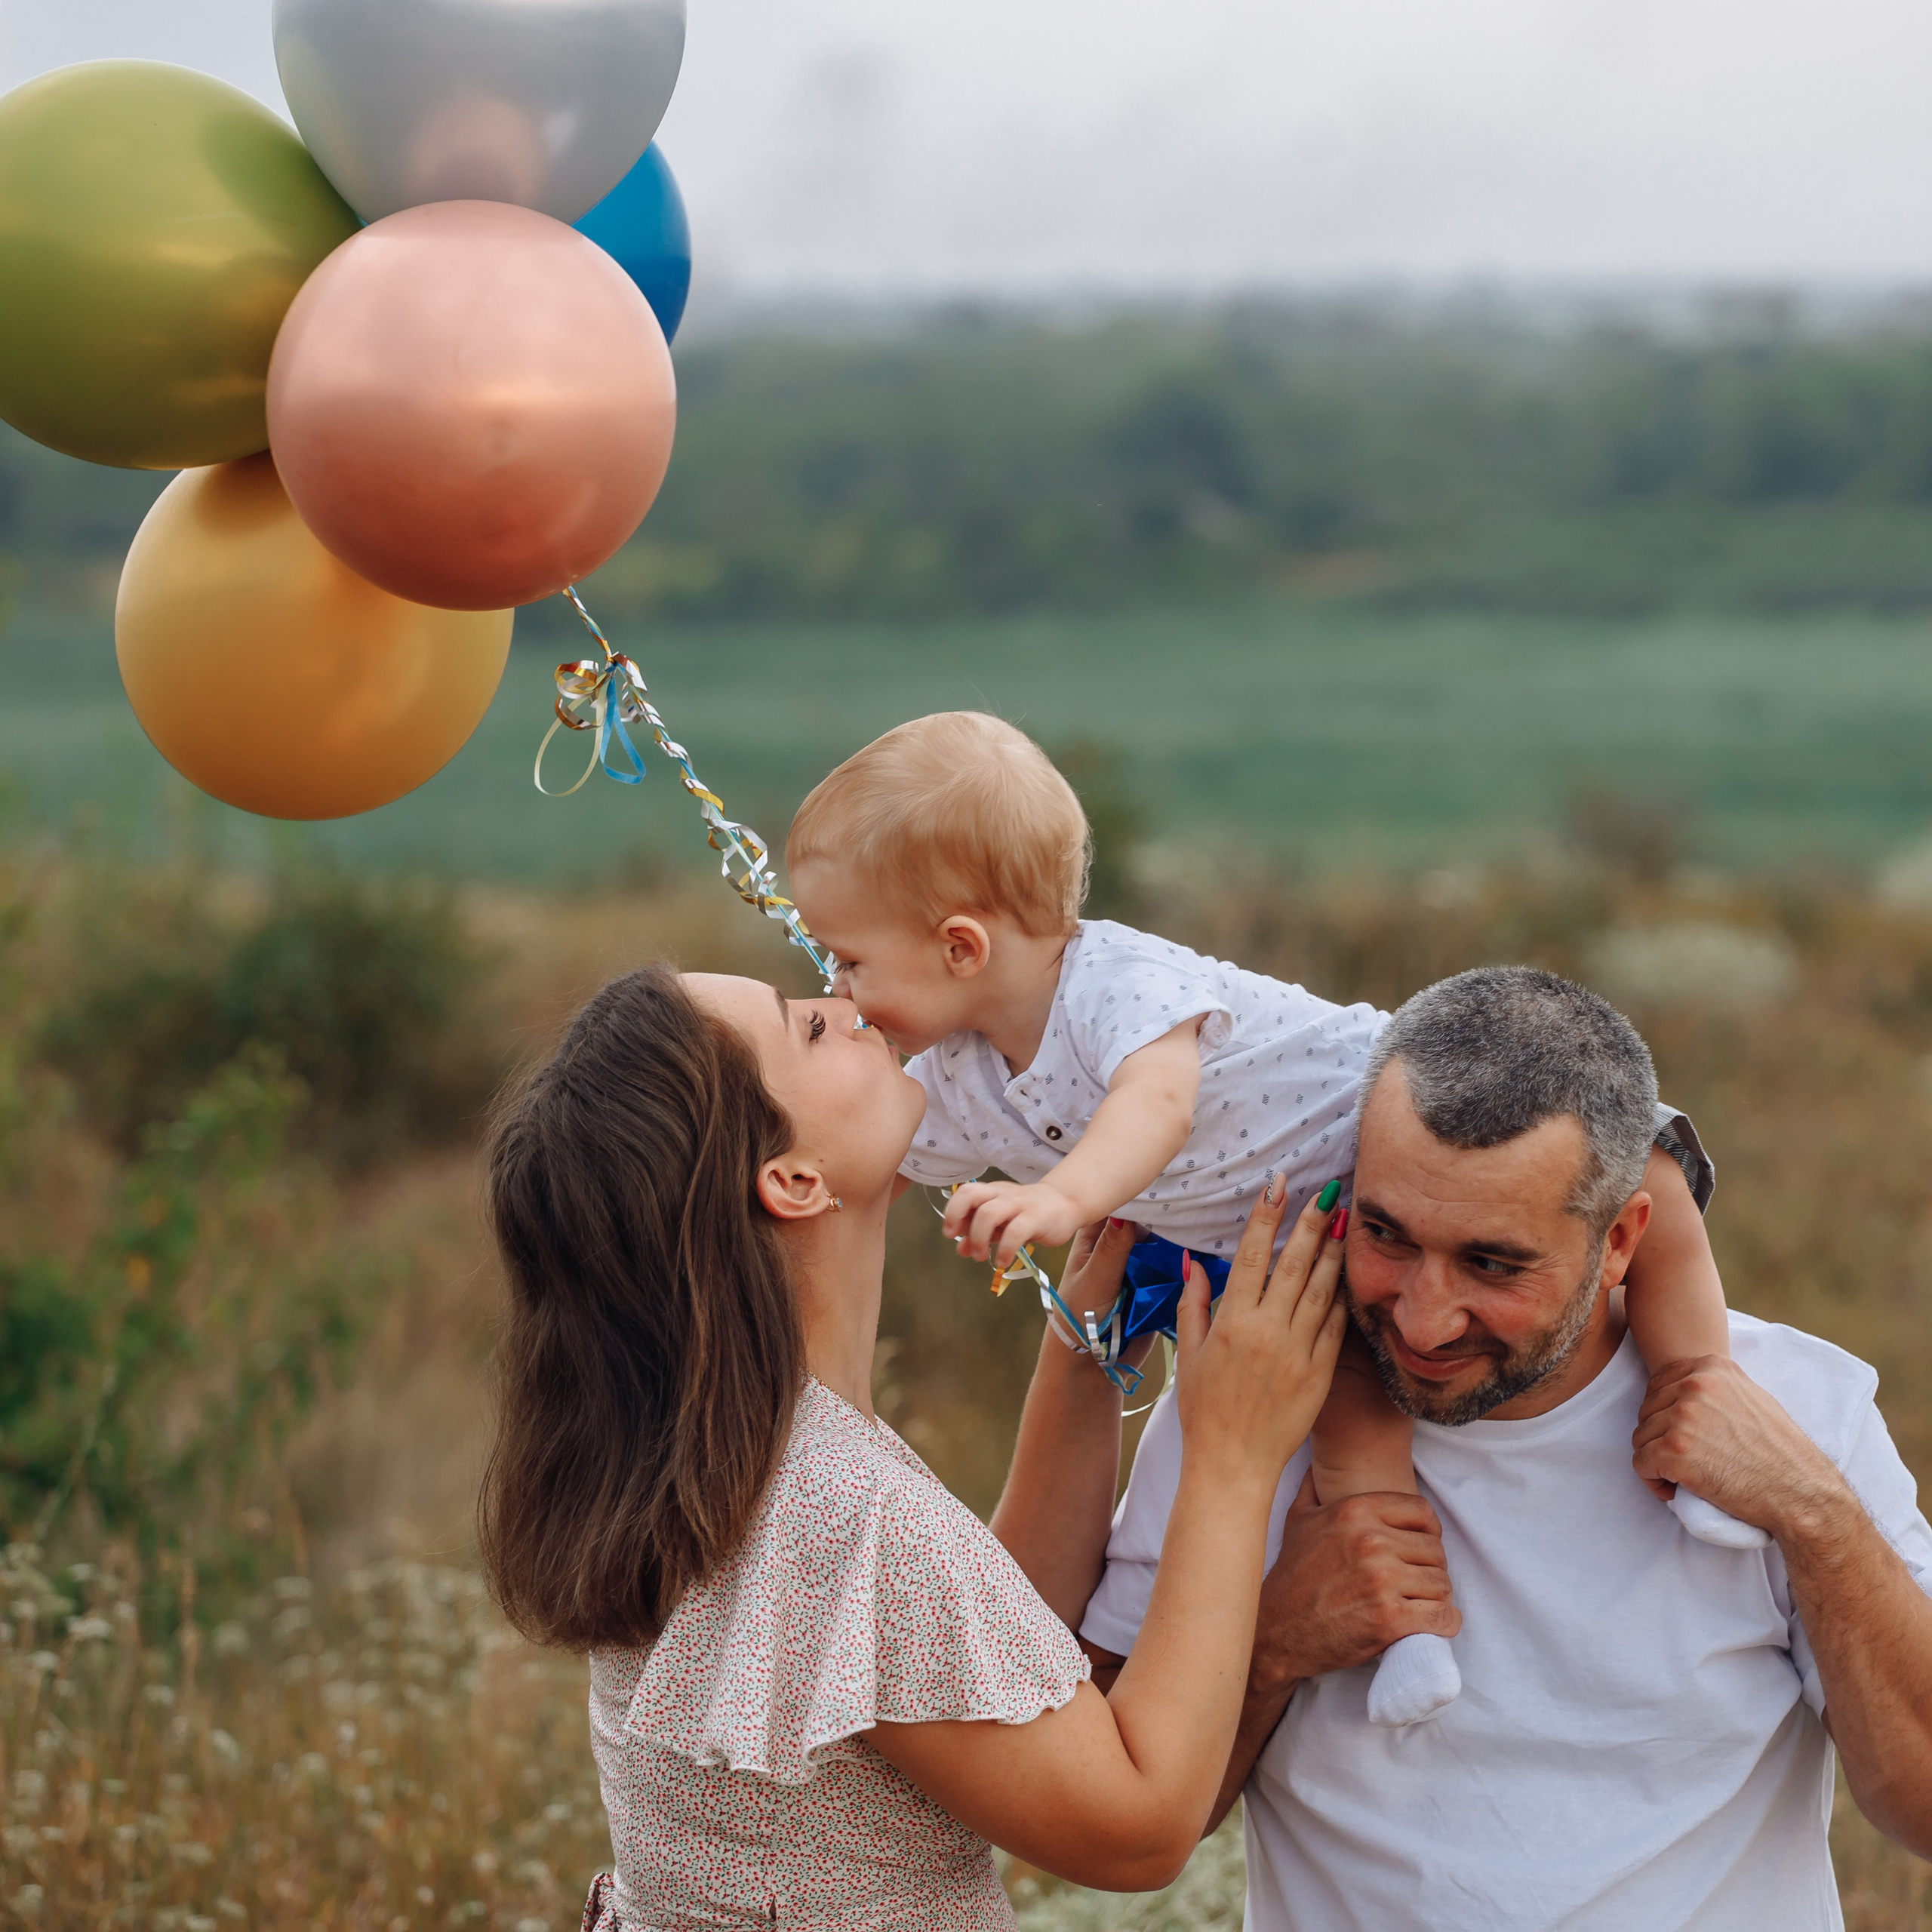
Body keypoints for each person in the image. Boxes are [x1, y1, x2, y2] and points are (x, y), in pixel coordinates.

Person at [786, 709, 1749, 1730]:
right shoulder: (960, 1072)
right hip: (1304, 1243)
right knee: (1345, 1399)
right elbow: (868, 1176)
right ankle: (1416, 1637)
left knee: (1652, 1176)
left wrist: (1061, 1197)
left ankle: (1699, 1404)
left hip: (1401, 1127)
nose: (837, 992)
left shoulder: (1113, 984)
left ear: (960, 945)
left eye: (848, 962)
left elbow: (1153, 1104)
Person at [1000, 965, 1932, 1930]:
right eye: (1386, 1234)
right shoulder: (1253, 1403)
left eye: (1492, 1262)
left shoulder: (1798, 1412)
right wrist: (1275, 1645)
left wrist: (1813, 1514)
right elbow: (1102, 1817)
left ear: (1620, 1240)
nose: (1424, 1317)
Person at [475, 963, 1347, 1930]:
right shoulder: (830, 1503)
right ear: (793, 1180)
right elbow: (1136, 1828)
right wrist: (1231, 1459)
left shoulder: (754, 1446)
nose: (848, 1008)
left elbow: (974, 1658)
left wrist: (1083, 1362)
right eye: (805, 1029)